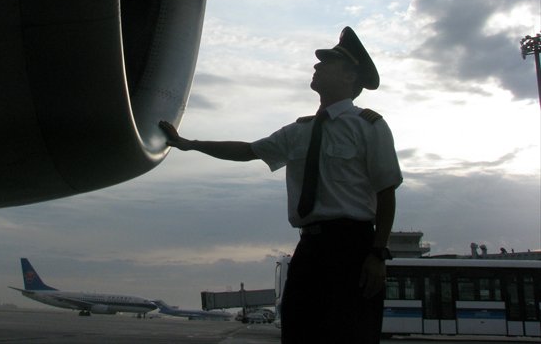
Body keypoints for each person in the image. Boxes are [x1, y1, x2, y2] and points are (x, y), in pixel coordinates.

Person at [159, 26, 402, 343]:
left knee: (350, 332)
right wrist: (190, 144)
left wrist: (377, 255)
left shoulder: (369, 126)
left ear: (349, 77)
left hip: (352, 248)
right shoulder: (299, 131)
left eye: (326, 63)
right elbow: (248, 150)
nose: (316, 67)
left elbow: (386, 191)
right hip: (310, 248)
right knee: (300, 330)